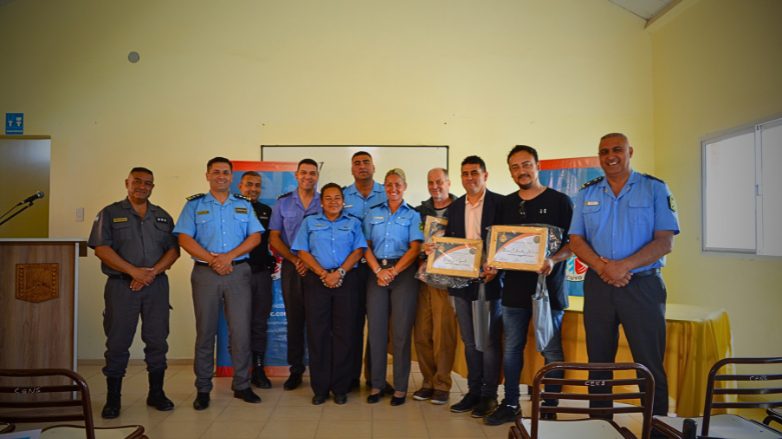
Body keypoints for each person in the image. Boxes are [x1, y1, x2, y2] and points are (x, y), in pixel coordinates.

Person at [569, 133, 679, 427]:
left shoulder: (654, 188)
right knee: (598, 363)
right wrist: (604, 268)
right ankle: (599, 424)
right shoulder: (587, 193)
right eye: (604, 151)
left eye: (617, 150)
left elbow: (665, 241)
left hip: (643, 286)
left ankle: (656, 427)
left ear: (630, 152)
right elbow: (576, 241)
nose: (610, 156)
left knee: (648, 363)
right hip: (599, 285)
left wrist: (623, 266)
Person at [484, 145, 573, 426]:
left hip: (549, 291)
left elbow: (574, 244)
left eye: (526, 164)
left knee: (551, 350)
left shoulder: (560, 201)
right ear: (510, 172)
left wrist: (553, 259)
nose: (521, 171)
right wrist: (491, 264)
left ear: (537, 166)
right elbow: (496, 245)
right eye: (515, 167)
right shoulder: (506, 204)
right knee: (512, 348)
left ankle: (549, 406)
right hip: (513, 291)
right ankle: (510, 403)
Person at [88, 167, 180, 419]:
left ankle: (156, 393)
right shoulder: (110, 213)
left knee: (157, 340)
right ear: (126, 183)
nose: (142, 186)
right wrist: (134, 272)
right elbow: (101, 249)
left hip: (156, 286)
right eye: (137, 181)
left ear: (153, 187)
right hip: (121, 286)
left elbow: (173, 251)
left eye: (148, 183)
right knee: (117, 342)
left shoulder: (162, 216)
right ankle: (113, 399)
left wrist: (150, 273)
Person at [174, 157, 263, 410]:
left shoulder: (243, 205)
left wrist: (228, 257)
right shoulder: (194, 205)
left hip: (237, 272)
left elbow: (255, 237)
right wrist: (213, 260)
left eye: (225, 172)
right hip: (206, 274)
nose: (221, 176)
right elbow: (184, 238)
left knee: (241, 332)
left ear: (231, 177)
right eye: (216, 172)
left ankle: (242, 385)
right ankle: (203, 388)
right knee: (205, 332)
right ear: (207, 175)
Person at [291, 183, 367, 405]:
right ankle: (320, 388)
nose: (333, 202)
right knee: (318, 334)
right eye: (328, 198)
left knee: (345, 335)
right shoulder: (309, 222)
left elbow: (358, 251)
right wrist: (323, 273)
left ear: (343, 201)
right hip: (317, 281)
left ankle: (340, 387)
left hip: (346, 280)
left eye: (337, 198)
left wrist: (339, 272)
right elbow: (302, 251)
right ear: (321, 202)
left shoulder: (353, 223)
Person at [445, 155, 504, 419]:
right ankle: (473, 391)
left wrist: (497, 268)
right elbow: (449, 243)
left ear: (485, 175)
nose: (469, 178)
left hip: (490, 283)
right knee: (469, 341)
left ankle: (489, 395)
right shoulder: (455, 207)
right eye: (465, 173)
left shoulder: (500, 204)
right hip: (461, 284)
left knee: (488, 342)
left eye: (474, 173)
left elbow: (506, 242)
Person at [364, 168, 424, 406]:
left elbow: (415, 248)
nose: (393, 188)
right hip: (376, 273)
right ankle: (376, 385)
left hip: (403, 274)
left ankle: (400, 388)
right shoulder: (372, 213)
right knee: (376, 332)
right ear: (384, 187)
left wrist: (394, 272)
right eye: (389, 184)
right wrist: (379, 271)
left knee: (400, 333)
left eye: (398, 184)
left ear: (405, 187)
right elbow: (365, 246)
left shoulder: (413, 215)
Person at [269, 158, 321, 390]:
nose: (308, 177)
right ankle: (296, 370)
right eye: (304, 173)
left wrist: (311, 263)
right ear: (296, 175)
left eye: (312, 173)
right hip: (292, 266)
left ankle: (320, 370)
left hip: (318, 268)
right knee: (295, 320)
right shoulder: (283, 203)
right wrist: (295, 260)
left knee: (319, 320)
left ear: (317, 176)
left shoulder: (325, 201)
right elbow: (274, 238)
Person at [412, 167, 458, 406]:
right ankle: (427, 381)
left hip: (447, 281)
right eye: (430, 182)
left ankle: (442, 384)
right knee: (422, 333)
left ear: (448, 183)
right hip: (422, 280)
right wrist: (422, 248)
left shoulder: (461, 209)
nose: (435, 186)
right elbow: (410, 242)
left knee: (443, 334)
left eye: (439, 181)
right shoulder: (419, 211)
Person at [342, 151, 387, 389]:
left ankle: (374, 377)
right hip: (351, 268)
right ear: (352, 169)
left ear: (373, 167)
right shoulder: (342, 195)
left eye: (366, 162)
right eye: (357, 163)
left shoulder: (386, 191)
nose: (362, 167)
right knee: (351, 323)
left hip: (379, 268)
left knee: (378, 325)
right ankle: (350, 377)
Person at [238, 171, 275, 389]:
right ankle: (241, 372)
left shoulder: (265, 211)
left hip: (261, 274)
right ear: (240, 186)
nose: (253, 189)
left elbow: (271, 241)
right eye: (249, 184)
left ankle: (258, 369)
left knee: (259, 323)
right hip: (237, 274)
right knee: (239, 325)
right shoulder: (230, 208)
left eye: (257, 185)